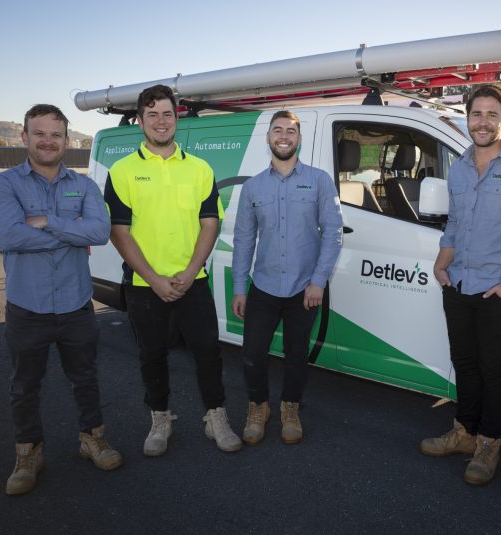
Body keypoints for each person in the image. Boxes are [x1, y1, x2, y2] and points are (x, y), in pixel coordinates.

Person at [0, 104, 122, 496]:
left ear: (66, 140)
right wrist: (71, 230)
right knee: (25, 385)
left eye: (56, 134)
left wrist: (46, 221)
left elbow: (98, 232)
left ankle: (92, 439)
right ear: (25, 137)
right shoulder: (5, 184)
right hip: (27, 309)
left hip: (77, 305)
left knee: (86, 379)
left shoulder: (85, 185)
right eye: (40, 133)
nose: (48, 141)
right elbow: (11, 237)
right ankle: (28, 452)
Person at [421, 84, 501, 485]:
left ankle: (489, 444)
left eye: (493, 115)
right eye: (477, 114)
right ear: (468, 117)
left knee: (494, 370)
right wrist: (443, 262)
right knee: (465, 363)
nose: (483, 122)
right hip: (458, 283)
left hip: (499, 288)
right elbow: (455, 222)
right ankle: (464, 432)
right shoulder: (458, 167)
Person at [105, 84, 241, 455]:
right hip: (143, 283)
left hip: (192, 280)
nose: (161, 122)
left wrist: (190, 270)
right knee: (152, 354)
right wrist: (154, 279)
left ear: (176, 117)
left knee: (208, 352)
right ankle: (160, 417)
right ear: (140, 121)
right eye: (152, 115)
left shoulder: (199, 168)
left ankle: (215, 416)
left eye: (167, 113)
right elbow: (119, 231)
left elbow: (210, 223)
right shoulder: (122, 170)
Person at [231, 110, 343, 445]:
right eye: (277, 130)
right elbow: (243, 239)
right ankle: (258, 407)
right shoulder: (253, 187)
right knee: (252, 353)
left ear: (299, 138)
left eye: (290, 131)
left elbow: (334, 232)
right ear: (268, 137)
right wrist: (240, 288)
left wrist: (319, 281)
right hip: (263, 286)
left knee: (296, 354)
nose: (284, 136)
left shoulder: (320, 180)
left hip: (304, 288)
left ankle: (290, 409)